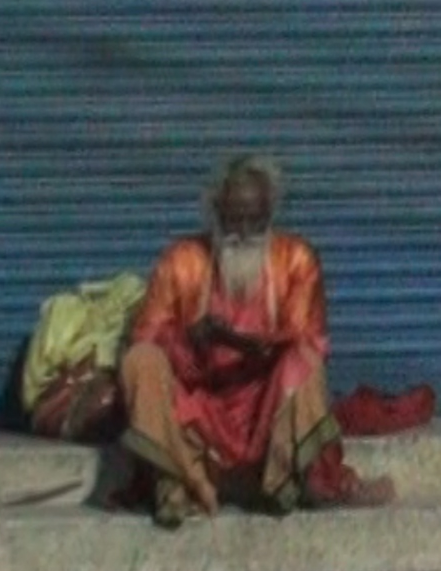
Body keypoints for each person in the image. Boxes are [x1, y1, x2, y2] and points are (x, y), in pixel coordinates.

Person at [118, 155, 393, 526]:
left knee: (304, 361)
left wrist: (245, 342)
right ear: (216, 211)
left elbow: (305, 336)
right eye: (234, 218)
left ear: (271, 213)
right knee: (141, 360)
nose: (244, 231)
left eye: (255, 219)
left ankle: (287, 480)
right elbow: (145, 335)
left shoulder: (296, 258)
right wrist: (187, 340)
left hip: (265, 407)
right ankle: (178, 482)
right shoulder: (181, 260)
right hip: (200, 408)